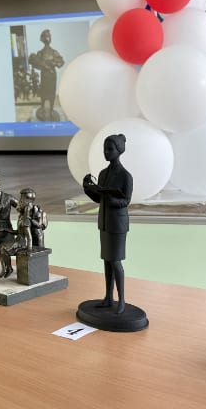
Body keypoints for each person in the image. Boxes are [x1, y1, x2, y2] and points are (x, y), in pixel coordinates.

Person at [83, 134, 133, 314]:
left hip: (117, 225)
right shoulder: (103, 174)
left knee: (115, 261)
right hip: (104, 222)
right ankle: (108, 297)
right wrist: (88, 189)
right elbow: (99, 198)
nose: (106, 152)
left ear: (119, 151)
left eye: (110, 149)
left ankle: (122, 300)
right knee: (107, 261)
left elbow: (126, 201)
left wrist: (112, 199)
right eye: (105, 149)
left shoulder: (125, 176)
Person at [28, 29, 64, 121]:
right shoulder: (40, 53)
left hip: (52, 76)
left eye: (49, 36)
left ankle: (51, 110)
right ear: (42, 39)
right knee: (43, 93)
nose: (48, 38)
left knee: (52, 93)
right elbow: (35, 64)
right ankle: (43, 109)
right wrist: (41, 65)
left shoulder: (54, 52)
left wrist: (54, 63)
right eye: (46, 36)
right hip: (44, 76)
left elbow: (61, 62)